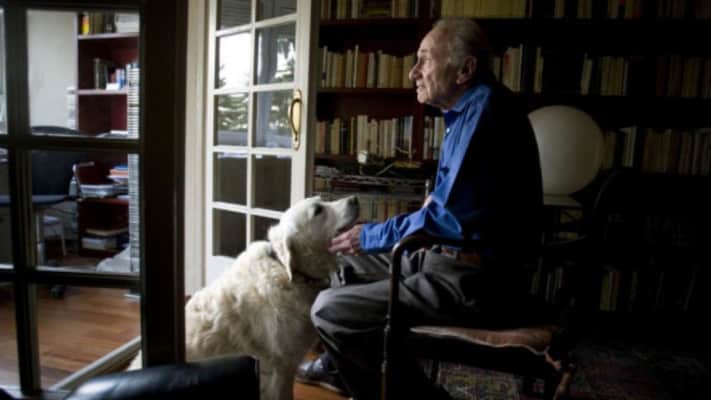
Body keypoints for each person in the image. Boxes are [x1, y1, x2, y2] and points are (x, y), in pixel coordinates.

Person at [298, 17, 544, 399]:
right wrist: (424, 215)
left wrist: (373, 234)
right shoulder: (468, 112)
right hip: (443, 257)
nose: (413, 72)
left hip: (474, 280)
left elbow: (448, 218)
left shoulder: (485, 112)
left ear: (465, 70)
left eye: (425, 60)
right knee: (341, 263)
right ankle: (346, 366)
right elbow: (448, 206)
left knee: (329, 309)